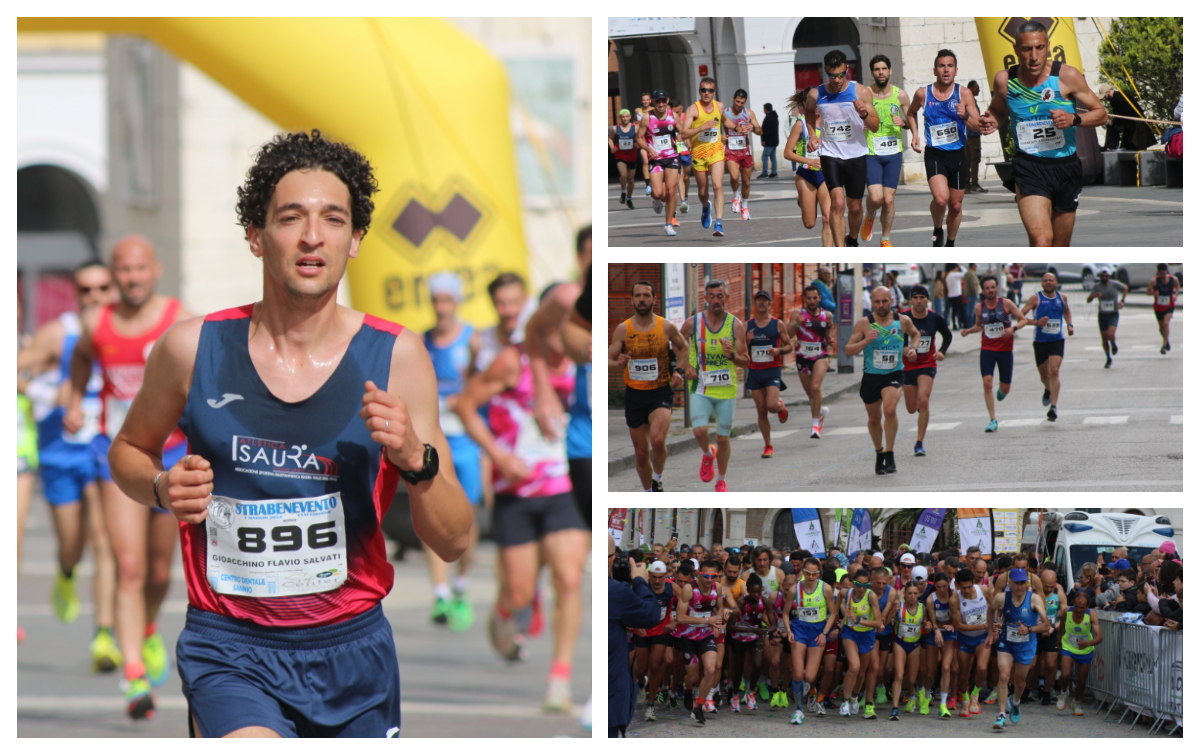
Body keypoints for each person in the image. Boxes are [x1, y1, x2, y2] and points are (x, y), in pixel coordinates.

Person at [106, 130, 474, 736]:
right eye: (291, 218)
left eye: (333, 219)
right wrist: (161, 487)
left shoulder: (397, 357)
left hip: (352, 652)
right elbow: (128, 450)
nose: (312, 236)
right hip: (230, 649)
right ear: (257, 235)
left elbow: (456, 540)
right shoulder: (192, 348)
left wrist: (417, 459)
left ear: (355, 240)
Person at [65, 235, 194, 718]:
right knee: (129, 565)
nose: (132, 278)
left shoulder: (180, 319)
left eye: (140, 269)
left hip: (171, 458)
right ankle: (135, 677)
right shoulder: (97, 321)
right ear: (114, 275)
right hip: (113, 454)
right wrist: (75, 402)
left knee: (160, 571)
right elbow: (81, 357)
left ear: (155, 270)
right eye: (124, 270)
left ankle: (142, 628)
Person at [456, 272, 588, 710]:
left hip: (563, 490)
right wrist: (498, 455)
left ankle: (559, 680)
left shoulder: (579, 364)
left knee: (569, 579)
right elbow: (465, 406)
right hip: (516, 490)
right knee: (518, 592)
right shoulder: (513, 361)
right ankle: (502, 613)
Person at [16, 260, 121, 670]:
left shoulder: (125, 333)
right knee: (72, 543)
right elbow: (17, 370)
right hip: (60, 454)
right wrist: (44, 391)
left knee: (104, 540)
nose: (95, 297)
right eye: (86, 290)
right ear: (75, 294)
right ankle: (65, 572)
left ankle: (104, 635)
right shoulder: (58, 332)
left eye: (102, 289)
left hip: (104, 450)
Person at [978, 20, 1108, 246]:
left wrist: (1073, 119)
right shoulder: (1005, 81)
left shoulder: (1067, 76)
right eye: (1027, 49)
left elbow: (1101, 114)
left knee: (1060, 245)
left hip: (1065, 167)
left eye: (1039, 48)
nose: (1034, 56)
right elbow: (997, 113)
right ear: (1016, 50)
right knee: (1041, 240)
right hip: (1029, 167)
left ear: (1048, 46)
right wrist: (992, 122)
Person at [422, 271, 483, 632]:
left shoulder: (472, 340)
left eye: (447, 300)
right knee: (431, 514)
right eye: (436, 301)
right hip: (434, 440)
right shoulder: (421, 341)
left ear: (456, 302)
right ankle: (440, 591)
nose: (442, 308)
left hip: (466, 442)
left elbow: (484, 386)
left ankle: (461, 583)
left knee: (466, 519)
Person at [609, 281, 688, 492]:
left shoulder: (666, 327)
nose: (642, 299)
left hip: (660, 391)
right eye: (637, 296)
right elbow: (608, 358)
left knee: (658, 438)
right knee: (642, 453)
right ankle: (649, 492)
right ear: (632, 299)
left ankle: (658, 478)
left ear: (654, 299)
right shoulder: (623, 329)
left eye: (646, 295)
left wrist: (679, 371)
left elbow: (684, 348)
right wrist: (617, 363)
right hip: (634, 395)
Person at [907, 49, 983, 247]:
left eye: (950, 66)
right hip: (935, 154)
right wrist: (915, 134)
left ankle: (950, 243)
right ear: (935, 70)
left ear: (956, 70)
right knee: (941, 200)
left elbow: (977, 126)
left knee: (956, 205)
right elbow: (911, 112)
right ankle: (937, 227)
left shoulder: (964, 94)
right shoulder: (924, 93)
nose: (946, 70)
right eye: (942, 66)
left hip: (958, 154)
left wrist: (965, 116)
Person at [805, 50, 880, 247]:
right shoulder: (816, 94)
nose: (837, 79)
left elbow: (875, 126)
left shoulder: (861, 92)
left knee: (854, 207)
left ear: (847, 69)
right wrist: (813, 134)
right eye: (832, 75)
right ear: (825, 72)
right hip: (830, 154)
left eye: (840, 74)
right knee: (837, 202)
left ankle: (852, 239)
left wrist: (863, 114)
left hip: (856, 154)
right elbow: (808, 112)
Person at [680, 279, 749, 492]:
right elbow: (678, 343)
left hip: (726, 389)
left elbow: (745, 360)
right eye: (712, 297)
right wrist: (685, 366)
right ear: (706, 298)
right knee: (700, 431)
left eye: (720, 296)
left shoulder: (735, 325)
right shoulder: (694, 323)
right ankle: (709, 454)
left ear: (726, 298)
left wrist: (731, 355)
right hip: (701, 386)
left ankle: (721, 479)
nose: (716, 301)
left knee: (723, 438)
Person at [844, 287, 920, 475]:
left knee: (890, 410)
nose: (881, 305)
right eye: (877, 302)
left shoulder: (902, 321)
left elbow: (915, 334)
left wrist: (913, 349)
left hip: (893, 374)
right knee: (873, 419)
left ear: (891, 300)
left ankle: (890, 453)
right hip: (871, 376)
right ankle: (879, 453)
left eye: (884, 301)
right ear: (873, 302)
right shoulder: (864, 324)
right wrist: (864, 342)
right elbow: (847, 350)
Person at [961, 276, 1032, 433]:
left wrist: (1013, 329)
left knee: (1005, 389)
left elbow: (1023, 319)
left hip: (1005, 351)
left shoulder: (1006, 303)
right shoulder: (979, 307)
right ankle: (993, 419)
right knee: (987, 383)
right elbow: (979, 326)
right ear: (983, 290)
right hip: (987, 350)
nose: (990, 290)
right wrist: (969, 330)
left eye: (993, 287)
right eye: (987, 288)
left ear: (997, 288)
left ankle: (1002, 391)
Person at [609, 537, 666, 737]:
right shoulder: (616, 592)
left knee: (654, 665)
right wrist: (640, 581)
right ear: (610, 560)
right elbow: (651, 614)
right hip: (610, 696)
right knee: (640, 668)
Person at [860, 55, 912, 247]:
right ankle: (870, 215)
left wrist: (905, 123)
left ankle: (885, 238)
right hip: (871, 152)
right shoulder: (864, 94)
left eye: (884, 69)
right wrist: (861, 125)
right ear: (872, 72)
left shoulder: (901, 95)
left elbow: (910, 121)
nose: (881, 72)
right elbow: (853, 117)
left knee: (888, 200)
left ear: (890, 71)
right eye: (877, 69)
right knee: (876, 197)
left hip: (893, 153)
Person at [989, 568, 1050, 731]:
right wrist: (991, 630)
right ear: (1010, 584)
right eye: (1017, 583)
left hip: (1026, 644)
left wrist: (1029, 629)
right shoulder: (1002, 598)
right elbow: (991, 609)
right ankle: (1001, 715)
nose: (1020, 586)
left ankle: (1016, 702)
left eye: (1023, 583)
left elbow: (1046, 625)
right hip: (1006, 642)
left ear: (1027, 584)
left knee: (1020, 681)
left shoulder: (1034, 599)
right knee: (1003, 675)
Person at [782, 557, 839, 724]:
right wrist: (789, 631)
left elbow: (833, 613)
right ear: (802, 572)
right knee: (798, 674)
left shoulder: (826, 588)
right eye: (807, 572)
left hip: (817, 631)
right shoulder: (794, 589)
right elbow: (785, 613)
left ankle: (812, 691)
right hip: (799, 630)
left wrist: (824, 633)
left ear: (819, 574)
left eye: (814, 573)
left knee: (810, 675)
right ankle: (799, 710)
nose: (810, 576)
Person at [680, 77, 738, 237]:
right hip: (699, 153)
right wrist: (702, 127)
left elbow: (725, 121)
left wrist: (737, 127)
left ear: (714, 92)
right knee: (703, 190)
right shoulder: (693, 109)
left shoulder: (719, 106)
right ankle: (706, 207)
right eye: (703, 90)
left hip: (716, 151)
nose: (706, 93)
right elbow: (684, 133)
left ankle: (718, 223)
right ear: (699, 91)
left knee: (717, 186)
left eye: (710, 90)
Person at [900, 284, 953, 457]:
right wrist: (905, 350)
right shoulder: (904, 317)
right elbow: (894, 338)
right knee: (911, 408)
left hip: (927, 364)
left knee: (923, 400)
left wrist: (942, 352)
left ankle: (919, 443)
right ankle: (920, 410)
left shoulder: (934, 318)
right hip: (907, 366)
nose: (919, 301)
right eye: (915, 297)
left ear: (927, 299)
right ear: (911, 300)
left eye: (922, 297)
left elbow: (948, 335)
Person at [677, 560, 727, 726]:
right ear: (699, 573)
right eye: (705, 575)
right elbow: (680, 617)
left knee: (711, 670)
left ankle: (698, 707)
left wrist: (718, 620)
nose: (709, 579)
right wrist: (706, 619)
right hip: (689, 636)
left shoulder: (717, 588)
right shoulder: (689, 589)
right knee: (693, 676)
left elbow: (719, 608)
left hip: (706, 635)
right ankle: (688, 688)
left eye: (713, 576)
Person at [745, 290, 792, 458]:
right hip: (755, 371)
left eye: (765, 300)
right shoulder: (747, 325)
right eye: (759, 300)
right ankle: (768, 445)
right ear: (755, 303)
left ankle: (779, 407)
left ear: (769, 303)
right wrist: (747, 341)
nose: (762, 303)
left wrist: (778, 350)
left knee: (771, 406)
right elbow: (740, 349)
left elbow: (789, 346)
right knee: (761, 410)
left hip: (772, 370)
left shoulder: (777, 324)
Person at [1021, 272, 1073, 422]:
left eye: (1051, 280)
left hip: (1057, 340)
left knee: (1054, 371)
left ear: (1056, 282)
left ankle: (1053, 407)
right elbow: (1021, 315)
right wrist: (1036, 322)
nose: (1048, 282)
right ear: (1042, 283)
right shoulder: (1035, 298)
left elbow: (1066, 311)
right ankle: (1048, 389)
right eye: (1045, 280)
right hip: (1040, 342)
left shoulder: (1062, 298)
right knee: (1044, 376)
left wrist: (1069, 324)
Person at [783, 89, 832, 246]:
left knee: (828, 218)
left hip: (827, 175)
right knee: (809, 223)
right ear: (805, 104)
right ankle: (802, 199)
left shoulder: (829, 122)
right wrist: (808, 161)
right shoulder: (800, 124)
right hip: (806, 175)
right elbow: (787, 153)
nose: (817, 106)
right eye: (813, 102)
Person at [788, 285, 834, 440]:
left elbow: (829, 329)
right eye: (809, 298)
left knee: (815, 387)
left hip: (821, 356)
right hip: (802, 358)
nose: (812, 301)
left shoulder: (826, 315)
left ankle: (815, 425)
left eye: (815, 298)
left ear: (819, 298)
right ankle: (820, 411)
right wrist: (797, 324)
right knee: (811, 393)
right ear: (804, 299)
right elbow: (787, 335)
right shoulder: (798, 314)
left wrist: (830, 337)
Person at [633, 560, 677, 722]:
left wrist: (675, 621)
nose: (657, 581)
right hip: (643, 630)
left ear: (666, 576)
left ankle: (650, 705)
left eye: (660, 577)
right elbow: (631, 606)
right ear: (649, 576)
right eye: (654, 577)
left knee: (655, 666)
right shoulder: (641, 587)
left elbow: (687, 602)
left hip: (661, 631)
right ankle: (638, 685)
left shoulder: (672, 588)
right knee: (642, 668)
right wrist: (636, 625)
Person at [839, 567, 884, 719]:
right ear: (853, 583)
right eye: (859, 584)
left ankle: (854, 696)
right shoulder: (847, 593)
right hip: (850, 633)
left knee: (861, 673)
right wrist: (839, 615)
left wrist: (859, 620)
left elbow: (878, 623)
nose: (861, 588)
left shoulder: (871, 597)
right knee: (854, 667)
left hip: (867, 635)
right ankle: (845, 702)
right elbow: (838, 599)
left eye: (865, 585)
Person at [636, 90, 682, 237]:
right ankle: (656, 200)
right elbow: (639, 137)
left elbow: (682, 131)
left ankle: (668, 224)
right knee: (657, 193)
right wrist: (648, 148)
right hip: (656, 159)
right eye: (658, 101)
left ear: (667, 101)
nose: (661, 104)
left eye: (663, 101)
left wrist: (685, 138)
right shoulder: (647, 118)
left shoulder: (672, 116)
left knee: (671, 191)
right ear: (653, 103)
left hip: (672, 156)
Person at [951, 567, 994, 718]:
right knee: (964, 674)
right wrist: (984, 625)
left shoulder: (984, 590)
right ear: (957, 585)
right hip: (964, 638)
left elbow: (994, 607)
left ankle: (975, 694)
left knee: (982, 668)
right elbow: (958, 626)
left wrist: (993, 625)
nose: (967, 591)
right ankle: (965, 699)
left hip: (982, 637)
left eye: (970, 587)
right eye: (963, 588)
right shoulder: (954, 599)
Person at [729, 572, 773, 712]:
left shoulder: (764, 601)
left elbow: (774, 624)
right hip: (738, 636)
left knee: (758, 664)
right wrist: (754, 631)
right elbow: (730, 626)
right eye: (753, 592)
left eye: (759, 592)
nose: (756, 595)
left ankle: (750, 693)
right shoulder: (742, 602)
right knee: (738, 669)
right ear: (748, 591)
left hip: (754, 637)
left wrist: (764, 633)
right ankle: (735, 695)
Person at [1057, 589, 1102, 716]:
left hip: (1085, 649)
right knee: (1065, 674)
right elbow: (1062, 625)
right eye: (1076, 606)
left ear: (1087, 607)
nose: (1078, 610)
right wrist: (1059, 639)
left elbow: (1100, 637)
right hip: (1068, 647)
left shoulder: (1091, 615)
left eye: (1082, 608)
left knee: (1081, 680)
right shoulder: (1067, 611)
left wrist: (1087, 643)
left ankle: (1076, 702)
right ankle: (1064, 692)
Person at [889, 581, 927, 720]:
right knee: (899, 675)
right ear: (904, 594)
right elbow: (887, 621)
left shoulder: (923, 608)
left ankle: (912, 696)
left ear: (919, 594)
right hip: (900, 643)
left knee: (911, 679)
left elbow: (926, 627)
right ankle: (894, 709)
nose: (912, 596)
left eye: (915, 594)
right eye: (909, 593)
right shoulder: (900, 607)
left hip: (915, 645)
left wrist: (928, 626)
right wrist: (893, 613)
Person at [723, 89, 762, 220]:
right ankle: (735, 196)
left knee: (746, 181)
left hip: (745, 151)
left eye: (742, 103)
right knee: (734, 176)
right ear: (733, 99)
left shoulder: (749, 113)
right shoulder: (726, 113)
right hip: (731, 150)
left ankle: (744, 206)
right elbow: (716, 127)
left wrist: (753, 128)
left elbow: (760, 131)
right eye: (738, 101)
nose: (739, 105)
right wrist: (721, 138)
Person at [924, 573, 958, 717]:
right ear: (935, 586)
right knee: (930, 671)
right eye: (939, 587)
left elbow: (960, 616)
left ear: (949, 584)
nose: (942, 589)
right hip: (935, 632)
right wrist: (936, 630)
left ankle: (943, 704)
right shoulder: (931, 599)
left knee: (946, 667)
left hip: (949, 633)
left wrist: (953, 625)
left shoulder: (954, 596)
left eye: (945, 586)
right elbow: (932, 620)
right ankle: (926, 697)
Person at [1036, 569, 1068, 705]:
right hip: (1035, 631)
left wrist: (1053, 626)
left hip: (1051, 631)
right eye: (1046, 586)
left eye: (1051, 586)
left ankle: (1047, 692)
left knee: (1051, 663)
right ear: (1040, 581)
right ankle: (1030, 688)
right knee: (1032, 664)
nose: (1048, 589)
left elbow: (1066, 616)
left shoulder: (1059, 594)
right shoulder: (1034, 593)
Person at [1085, 269, 1127, 368]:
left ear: (1109, 276)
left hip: (1113, 314)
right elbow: (1088, 300)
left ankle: (1113, 343)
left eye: (1106, 276)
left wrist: (1122, 301)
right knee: (1104, 339)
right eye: (1102, 276)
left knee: (1110, 334)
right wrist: (1094, 296)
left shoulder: (1114, 284)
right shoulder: (1097, 286)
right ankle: (1108, 358)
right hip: (1102, 315)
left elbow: (1125, 288)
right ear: (1099, 277)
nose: (1104, 278)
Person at [1148, 263, 1181, 354]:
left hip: (1169, 305)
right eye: (1161, 273)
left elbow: (1178, 286)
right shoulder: (1154, 281)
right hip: (1158, 307)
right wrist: (1153, 293)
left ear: (1167, 272)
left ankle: (1163, 345)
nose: (1163, 275)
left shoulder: (1173, 279)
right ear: (1158, 273)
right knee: (1161, 327)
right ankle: (1166, 341)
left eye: (1164, 273)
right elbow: (1147, 291)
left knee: (1166, 323)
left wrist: (1176, 294)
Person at [609, 109, 638, 209]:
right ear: (620, 118)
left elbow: (641, 138)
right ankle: (623, 192)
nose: (625, 118)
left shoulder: (635, 128)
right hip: (620, 156)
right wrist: (612, 147)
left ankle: (629, 198)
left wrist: (637, 144)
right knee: (623, 175)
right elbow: (610, 138)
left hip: (632, 156)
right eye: (623, 117)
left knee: (630, 180)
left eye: (627, 116)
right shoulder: (615, 128)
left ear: (630, 117)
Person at [1099, 83, 1139, 151]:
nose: (1105, 98)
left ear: (1109, 92)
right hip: (1127, 122)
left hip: (1134, 123)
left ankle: (1110, 147)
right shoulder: (1114, 99)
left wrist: (1113, 122)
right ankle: (1110, 147)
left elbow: (1125, 114)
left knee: (1111, 126)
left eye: (1105, 96)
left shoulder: (1119, 98)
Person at [964, 80, 989, 193]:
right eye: (977, 88)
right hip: (972, 135)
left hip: (967, 135)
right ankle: (973, 183)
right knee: (974, 160)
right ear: (971, 89)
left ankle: (967, 184)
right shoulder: (970, 102)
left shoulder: (967, 101)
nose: (979, 90)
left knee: (968, 161)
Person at [671, 101, 693, 215]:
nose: (677, 114)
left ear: (682, 109)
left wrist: (690, 145)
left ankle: (686, 195)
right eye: (674, 112)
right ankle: (683, 200)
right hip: (677, 151)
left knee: (686, 177)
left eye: (678, 112)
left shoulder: (687, 117)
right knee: (680, 175)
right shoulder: (670, 119)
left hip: (687, 151)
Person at [634, 92, 654, 195]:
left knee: (654, 162)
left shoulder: (654, 111)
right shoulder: (637, 111)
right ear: (641, 101)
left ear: (650, 101)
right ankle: (648, 185)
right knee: (645, 162)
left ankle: (656, 181)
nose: (645, 101)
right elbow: (634, 123)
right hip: (642, 139)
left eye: (647, 100)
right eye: (644, 100)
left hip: (652, 140)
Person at [758, 102, 779, 179]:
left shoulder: (768, 118)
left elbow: (766, 131)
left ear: (766, 109)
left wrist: (764, 140)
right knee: (773, 156)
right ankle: (774, 172)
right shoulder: (775, 117)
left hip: (769, 141)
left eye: (764, 109)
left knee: (764, 156)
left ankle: (765, 172)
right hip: (775, 141)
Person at [945, 264, 966, 329]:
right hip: (957, 294)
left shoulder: (948, 275)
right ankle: (965, 324)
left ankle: (954, 324)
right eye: (957, 268)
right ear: (954, 268)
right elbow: (965, 273)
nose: (958, 269)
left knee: (954, 311)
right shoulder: (955, 275)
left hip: (950, 295)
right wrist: (961, 266)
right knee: (961, 310)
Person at [963, 263, 980, 328]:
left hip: (969, 294)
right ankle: (970, 325)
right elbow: (973, 285)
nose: (976, 267)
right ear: (973, 266)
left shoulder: (968, 273)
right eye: (975, 266)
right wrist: (976, 293)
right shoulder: (971, 274)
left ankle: (970, 324)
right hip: (972, 294)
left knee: (970, 310)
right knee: (971, 310)